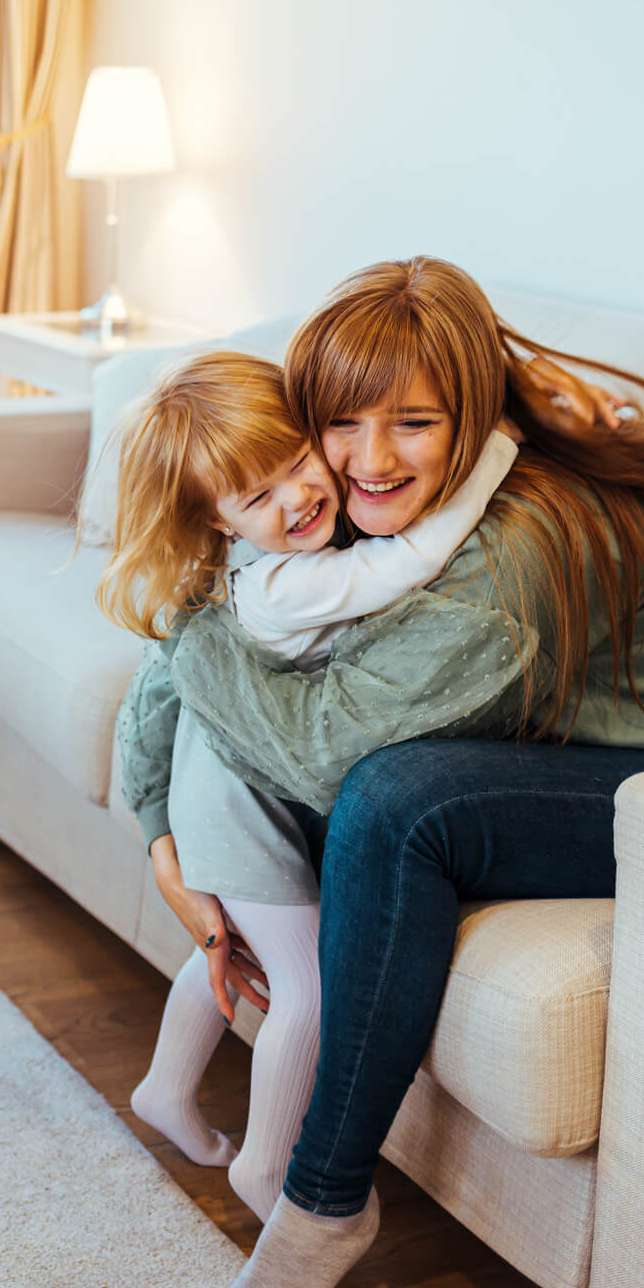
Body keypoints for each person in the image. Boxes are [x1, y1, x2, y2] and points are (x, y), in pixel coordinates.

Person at [117, 258, 644, 1288]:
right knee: (277, 728)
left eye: (414, 423)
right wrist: (163, 834)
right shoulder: (360, 497)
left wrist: (206, 622)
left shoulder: (511, 554)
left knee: (394, 801)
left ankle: (321, 1206)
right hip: (562, 740)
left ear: (469, 413)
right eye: (339, 424)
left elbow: (313, 751)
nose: (368, 461)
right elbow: (219, 626)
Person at [99, 351, 519, 1221]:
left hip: (220, 799)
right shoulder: (279, 585)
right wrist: (495, 454)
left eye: (297, 463)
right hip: (237, 810)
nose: (297, 498)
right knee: (310, 989)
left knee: (235, 951)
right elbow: (408, 562)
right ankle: (267, 1166)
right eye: (259, 497)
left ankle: (166, 1090)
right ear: (216, 521)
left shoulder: (251, 562)